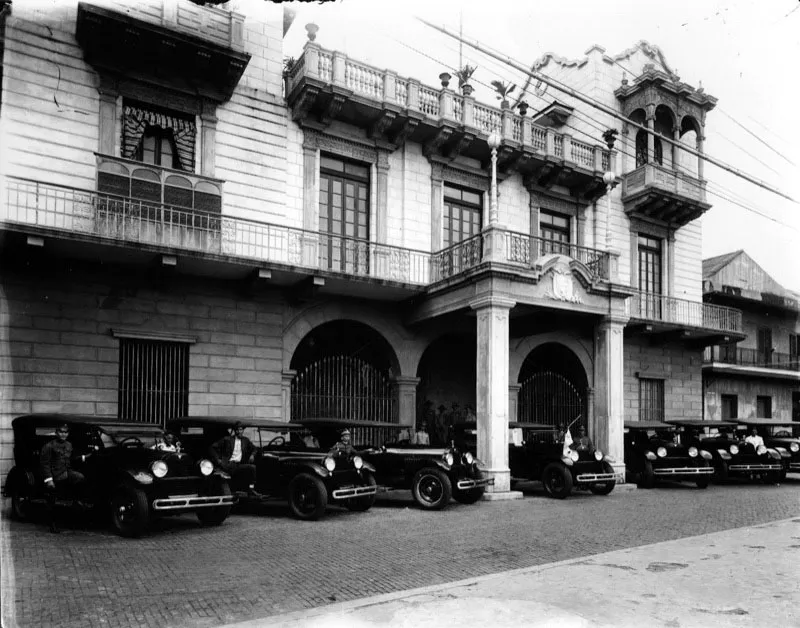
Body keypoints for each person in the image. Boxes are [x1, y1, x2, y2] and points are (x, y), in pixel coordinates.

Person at [39, 423, 89, 533]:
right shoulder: (49, 446)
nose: (63, 434)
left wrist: (85, 457)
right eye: (61, 432)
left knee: (80, 477)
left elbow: (72, 458)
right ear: (56, 432)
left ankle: (77, 501)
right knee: (53, 501)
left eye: (65, 432)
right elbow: (45, 464)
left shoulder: (69, 445)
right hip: (55, 476)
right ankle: (53, 525)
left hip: (66, 473)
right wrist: (49, 480)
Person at [210, 422, 259, 496]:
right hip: (228, 464)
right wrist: (218, 460)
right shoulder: (227, 439)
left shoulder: (245, 440)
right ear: (235, 431)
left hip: (239, 465)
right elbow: (212, 447)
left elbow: (255, 448)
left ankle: (251, 489)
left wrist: (252, 455)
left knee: (252, 468)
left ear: (243, 430)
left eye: (241, 430)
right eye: (237, 430)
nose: (239, 432)